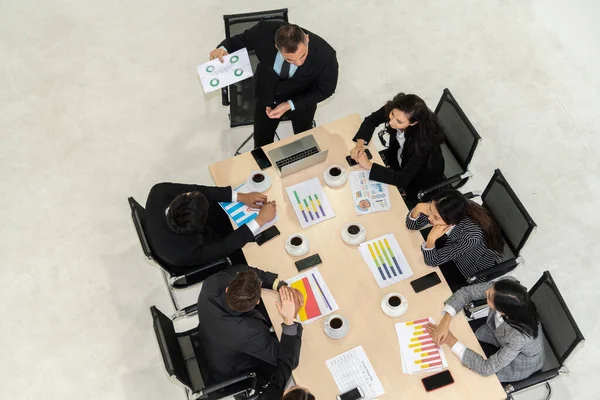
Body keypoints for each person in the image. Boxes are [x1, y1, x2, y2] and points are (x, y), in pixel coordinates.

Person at [210, 22, 339, 148]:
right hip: (267, 92)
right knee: (262, 139)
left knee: (304, 136)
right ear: (276, 46)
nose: (299, 63)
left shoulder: (326, 55)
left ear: (307, 38)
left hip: (303, 97)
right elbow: (240, 40)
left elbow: (326, 89)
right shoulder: (263, 32)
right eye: (289, 59)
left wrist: (290, 104)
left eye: (302, 56)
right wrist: (222, 49)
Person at [197, 264, 304, 383]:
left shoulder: (212, 283)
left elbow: (241, 269)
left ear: (228, 288)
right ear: (258, 301)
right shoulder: (251, 333)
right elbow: (288, 361)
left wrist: (278, 285)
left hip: (211, 338)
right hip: (230, 369)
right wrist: (290, 319)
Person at [425, 277, 545, 382]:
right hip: (496, 334)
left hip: (517, 364)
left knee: (465, 376)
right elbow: (466, 292)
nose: (486, 291)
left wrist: (451, 340)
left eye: (488, 296)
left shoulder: (519, 338)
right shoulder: (503, 287)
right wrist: (445, 321)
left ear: (501, 310)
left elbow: (486, 368)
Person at [145, 182, 276, 268]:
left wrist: (240, 196)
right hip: (203, 253)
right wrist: (259, 220)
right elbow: (224, 247)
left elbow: (198, 190)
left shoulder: (160, 191)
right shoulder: (183, 253)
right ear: (200, 228)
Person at [350, 93, 445, 202]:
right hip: (398, 158)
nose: (391, 122)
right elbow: (372, 120)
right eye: (392, 114)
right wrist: (360, 144)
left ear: (413, 123)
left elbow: (402, 179)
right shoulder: (398, 111)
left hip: (418, 178)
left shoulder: (422, 145)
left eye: (399, 122)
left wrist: (369, 166)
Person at [406, 189, 504, 291]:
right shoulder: (443, 205)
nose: (430, 218)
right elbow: (411, 225)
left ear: (452, 221)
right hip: (447, 244)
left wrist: (431, 240)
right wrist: (418, 208)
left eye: (435, 217)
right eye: (430, 209)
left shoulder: (470, 237)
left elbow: (432, 261)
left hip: (464, 265)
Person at [257, 287, 314, 400]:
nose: (297, 385)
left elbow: (287, 363)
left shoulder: (270, 395)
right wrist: (290, 319)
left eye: (294, 387)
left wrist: (289, 319)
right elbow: (287, 363)